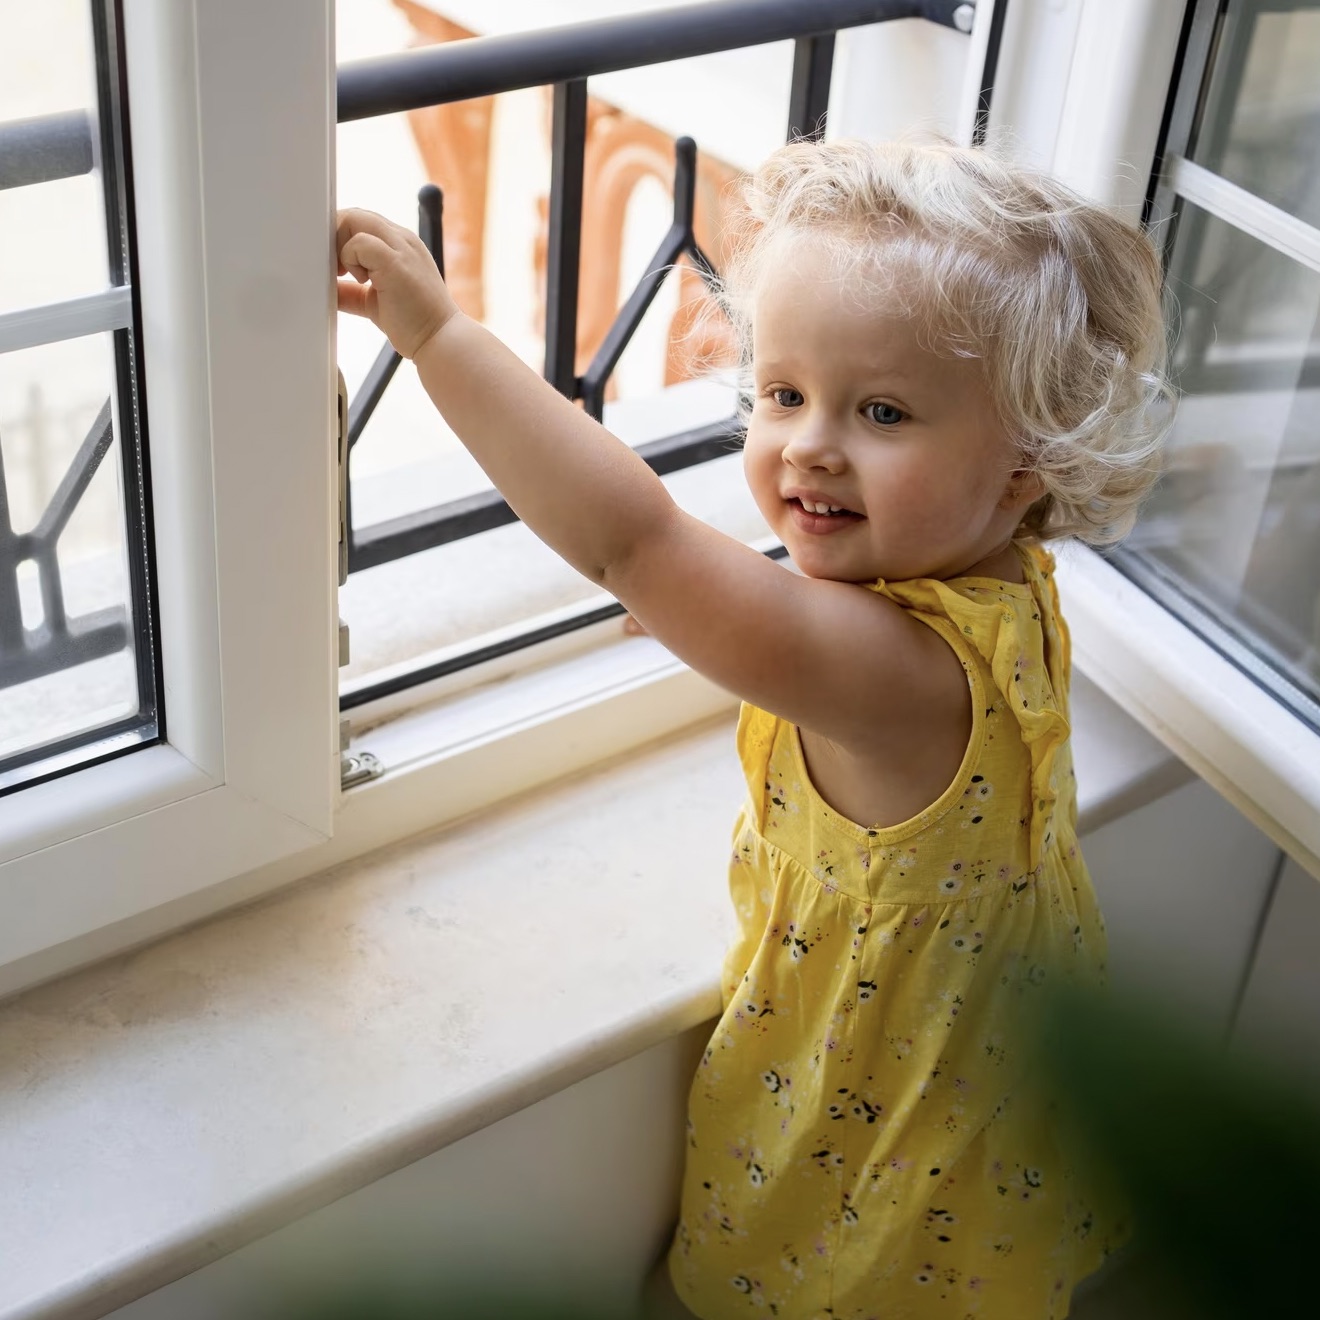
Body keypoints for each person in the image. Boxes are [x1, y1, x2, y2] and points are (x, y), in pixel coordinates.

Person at [336, 137, 1173, 1320]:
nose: (810, 444)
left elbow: (633, 541)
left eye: (881, 410)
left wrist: (438, 338)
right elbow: (801, 600)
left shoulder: (894, 674)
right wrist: (734, 612)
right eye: (781, 394)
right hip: (1006, 1094)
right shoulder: (1003, 586)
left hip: (880, 1137)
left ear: (1027, 462)